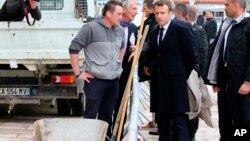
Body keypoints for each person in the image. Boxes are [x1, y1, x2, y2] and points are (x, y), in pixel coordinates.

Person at [68, 1, 124, 140]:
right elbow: (73, 48)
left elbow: (122, 47)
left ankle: (104, 138)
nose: (121, 17)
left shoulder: (120, 30)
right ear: (108, 13)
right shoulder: (90, 28)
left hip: (113, 82)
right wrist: (78, 73)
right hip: (95, 81)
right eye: (119, 14)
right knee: (91, 115)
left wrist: (119, 65)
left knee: (107, 116)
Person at [143, 0, 195, 140]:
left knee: (179, 122)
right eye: (157, 13)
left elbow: (191, 57)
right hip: (159, 84)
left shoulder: (181, 29)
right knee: (162, 122)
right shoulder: (154, 32)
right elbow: (154, 53)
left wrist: (180, 75)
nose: (159, 16)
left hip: (176, 83)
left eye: (162, 13)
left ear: (170, 13)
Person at [205, 0, 250, 140]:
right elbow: (219, 53)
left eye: (227, 5)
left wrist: (248, 81)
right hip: (225, 81)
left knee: (242, 119)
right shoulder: (227, 24)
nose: (224, 8)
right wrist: (216, 79)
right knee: (224, 116)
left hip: (241, 82)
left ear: (237, 5)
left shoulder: (248, 25)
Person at [113, 0, 138, 138]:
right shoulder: (112, 26)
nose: (137, 12)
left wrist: (136, 50)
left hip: (124, 74)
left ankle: (117, 135)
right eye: (134, 8)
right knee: (107, 106)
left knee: (122, 105)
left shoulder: (134, 28)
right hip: (108, 73)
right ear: (124, 9)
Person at [186, 5, 209, 141]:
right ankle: (192, 134)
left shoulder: (196, 30)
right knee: (194, 106)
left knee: (192, 107)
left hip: (191, 75)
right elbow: (204, 52)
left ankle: (191, 134)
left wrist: (197, 73)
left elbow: (202, 53)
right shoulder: (200, 31)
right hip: (196, 73)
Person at [139, 0, 158, 130]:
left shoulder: (154, 23)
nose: (142, 11)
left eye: (144, 8)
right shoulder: (149, 22)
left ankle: (157, 123)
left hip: (154, 67)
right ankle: (155, 122)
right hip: (151, 66)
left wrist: (148, 64)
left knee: (157, 95)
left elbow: (150, 45)